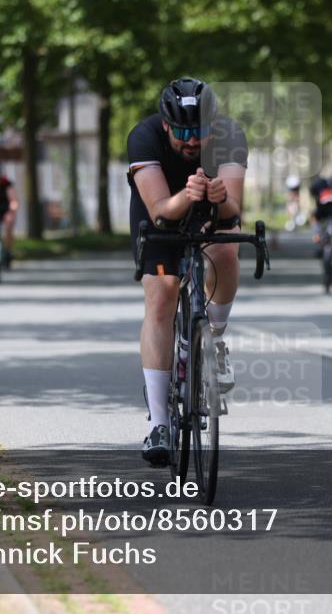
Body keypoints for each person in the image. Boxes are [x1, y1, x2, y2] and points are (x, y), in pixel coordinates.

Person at [127, 77, 248, 466]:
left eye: (200, 132)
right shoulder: (144, 137)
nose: (191, 141)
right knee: (162, 292)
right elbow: (160, 209)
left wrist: (220, 197)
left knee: (226, 252)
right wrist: (188, 194)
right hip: (161, 216)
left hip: (210, 214)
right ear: (166, 125)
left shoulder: (230, 135)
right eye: (182, 133)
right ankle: (158, 424)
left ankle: (213, 338)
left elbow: (234, 211)